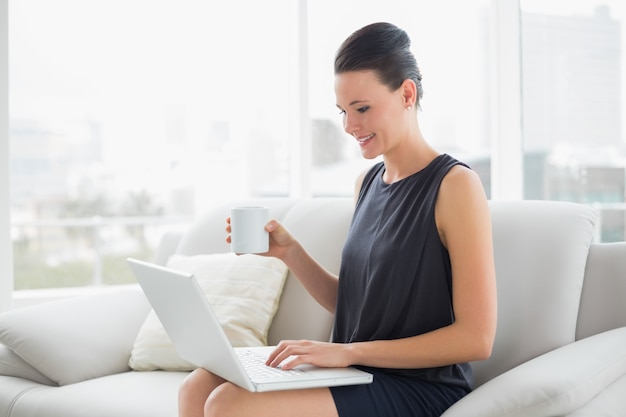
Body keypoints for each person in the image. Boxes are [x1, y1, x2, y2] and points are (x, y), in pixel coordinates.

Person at [178, 21, 497, 417]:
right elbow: (357, 304)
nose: (349, 126)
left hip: (418, 385)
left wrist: (346, 352)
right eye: (344, 111)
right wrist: (290, 253)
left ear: (407, 94)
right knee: (197, 388)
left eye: (362, 109)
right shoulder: (367, 182)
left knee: (229, 404)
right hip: (355, 370)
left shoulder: (455, 185)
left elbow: (476, 339)